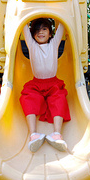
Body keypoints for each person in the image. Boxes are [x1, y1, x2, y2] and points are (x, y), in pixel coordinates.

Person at [21, 17, 70, 154]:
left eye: (44, 29)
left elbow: (61, 26)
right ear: (32, 34)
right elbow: (24, 24)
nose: (40, 32)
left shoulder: (54, 44)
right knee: (28, 99)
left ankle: (56, 134)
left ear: (50, 33)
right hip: (36, 84)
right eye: (37, 30)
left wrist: (57, 5)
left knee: (59, 99)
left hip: (53, 83)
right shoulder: (31, 45)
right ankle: (33, 134)